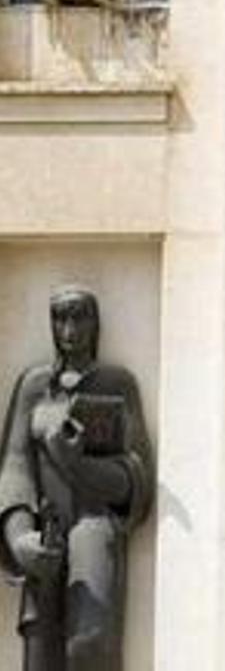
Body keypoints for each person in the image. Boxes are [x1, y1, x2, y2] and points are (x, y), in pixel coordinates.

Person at [0, 286, 153, 671]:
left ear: (95, 323)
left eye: (79, 317)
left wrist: (76, 463)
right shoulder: (34, 385)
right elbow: (15, 467)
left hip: (94, 522)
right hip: (46, 524)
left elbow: (136, 477)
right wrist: (19, 536)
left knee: (90, 641)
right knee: (41, 647)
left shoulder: (117, 383)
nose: (69, 329)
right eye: (60, 318)